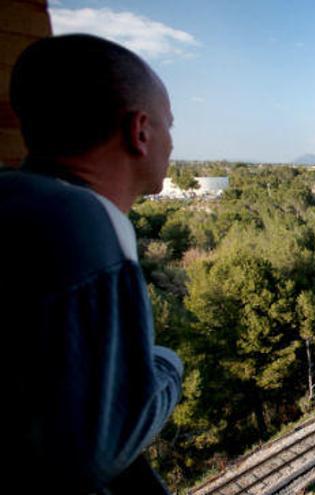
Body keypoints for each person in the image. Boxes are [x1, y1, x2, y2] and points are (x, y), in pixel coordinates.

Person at [0, 34, 182, 493]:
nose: (172, 144)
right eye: (169, 126)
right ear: (139, 131)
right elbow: (95, 450)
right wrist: (167, 368)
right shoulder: (79, 225)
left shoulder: (15, 200)